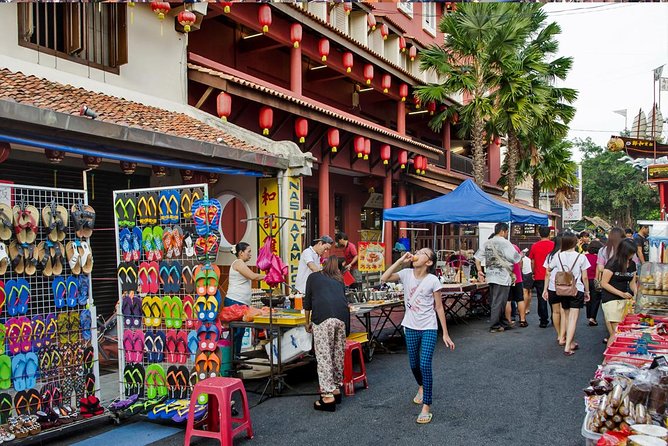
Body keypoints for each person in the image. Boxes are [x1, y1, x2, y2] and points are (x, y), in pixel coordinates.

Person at [381, 248, 455, 424]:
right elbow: (384, 278)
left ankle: (426, 406)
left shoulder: (432, 280)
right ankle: (421, 386)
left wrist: (445, 333)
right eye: (418, 251)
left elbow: (438, 307)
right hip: (410, 326)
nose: (416, 254)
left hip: (429, 326)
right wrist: (400, 261)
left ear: (429, 262)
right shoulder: (406, 273)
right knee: (413, 364)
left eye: (422, 253)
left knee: (424, 364)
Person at [304, 256, 351, 412]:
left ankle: (327, 396)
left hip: (323, 318)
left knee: (324, 356)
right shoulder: (339, 280)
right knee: (337, 355)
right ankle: (336, 389)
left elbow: (308, 302)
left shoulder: (313, 277)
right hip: (342, 318)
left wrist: (307, 322)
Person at [542, 232, 590, 356]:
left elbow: (548, 270)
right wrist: (587, 291)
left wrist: (546, 288)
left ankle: (570, 341)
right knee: (573, 318)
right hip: (576, 289)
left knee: (567, 316)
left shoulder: (557, 256)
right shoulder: (581, 257)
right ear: (575, 242)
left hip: (562, 290)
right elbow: (585, 277)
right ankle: (568, 346)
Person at [474, 223, 521, 333]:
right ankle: (494, 325)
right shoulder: (505, 243)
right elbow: (515, 258)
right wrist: (521, 255)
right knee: (499, 301)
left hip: (490, 275)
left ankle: (503, 322)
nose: (507, 234)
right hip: (502, 276)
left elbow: (477, 257)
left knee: (498, 300)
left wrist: (480, 271)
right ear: (503, 231)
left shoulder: (487, 242)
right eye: (507, 232)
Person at [225, 242, 266, 360]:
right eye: (248, 251)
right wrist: (267, 276)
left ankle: (236, 359)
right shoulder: (238, 263)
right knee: (236, 333)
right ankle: (230, 360)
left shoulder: (241, 263)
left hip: (240, 303)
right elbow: (252, 276)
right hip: (234, 302)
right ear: (241, 253)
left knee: (240, 332)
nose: (250, 254)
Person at [600, 238, 638, 347]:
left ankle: (614, 357)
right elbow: (604, 283)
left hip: (625, 300)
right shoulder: (613, 263)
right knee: (616, 332)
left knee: (620, 332)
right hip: (610, 299)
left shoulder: (632, 264)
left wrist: (637, 295)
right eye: (631, 253)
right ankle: (609, 360)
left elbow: (632, 282)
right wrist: (621, 293)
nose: (632, 255)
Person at [528, 226, 555, 328]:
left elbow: (532, 261)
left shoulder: (535, 246)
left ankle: (543, 320)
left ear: (539, 234)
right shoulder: (554, 245)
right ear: (549, 234)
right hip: (552, 276)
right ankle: (555, 317)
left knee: (541, 298)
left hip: (539, 275)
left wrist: (533, 272)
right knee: (553, 298)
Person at [504, 243, 527, 327]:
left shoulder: (502, 248)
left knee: (508, 300)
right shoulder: (515, 247)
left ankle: (509, 320)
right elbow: (520, 261)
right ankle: (522, 320)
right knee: (520, 299)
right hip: (517, 277)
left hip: (506, 277)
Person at [585, 240, 604, 327]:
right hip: (595, 280)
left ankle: (589, 316)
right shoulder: (599, 258)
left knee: (588, 299)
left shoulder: (584, 257)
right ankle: (593, 318)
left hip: (585, 280)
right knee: (596, 300)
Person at [521, 248, 533, 315]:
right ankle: (527, 308)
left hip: (524, 274)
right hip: (530, 274)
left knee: (525, 291)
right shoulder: (528, 259)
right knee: (529, 291)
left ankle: (524, 309)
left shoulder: (521, 259)